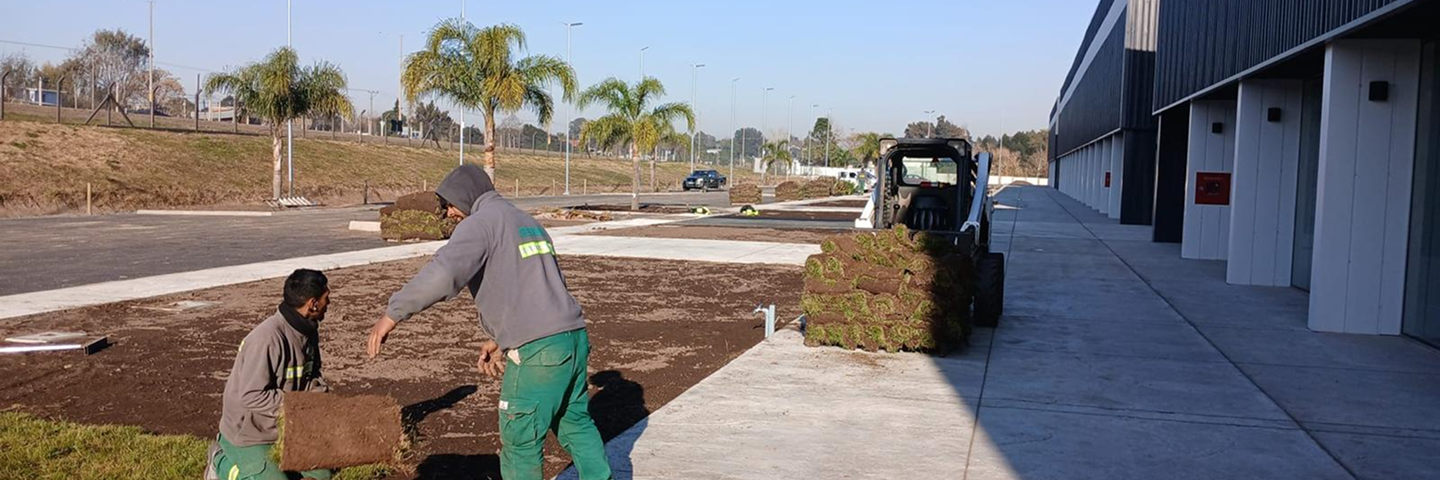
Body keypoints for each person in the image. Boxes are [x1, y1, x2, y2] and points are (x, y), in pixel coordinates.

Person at [365, 165, 612, 480]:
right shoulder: (526, 222)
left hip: (539, 353)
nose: (451, 214)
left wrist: (392, 314)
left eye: (449, 205)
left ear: (465, 197)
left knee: (520, 439)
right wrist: (501, 337)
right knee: (575, 423)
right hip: (572, 339)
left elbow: (444, 274)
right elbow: (540, 285)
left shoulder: (480, 224)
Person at [207, 269, 334, 480]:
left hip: (287, 424)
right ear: (312, 303)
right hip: (250, 433)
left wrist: (322, 400)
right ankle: (221, 461)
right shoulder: (266, 339)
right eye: (326, 298)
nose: (328, 303)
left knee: (322, 475)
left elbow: (312, 376)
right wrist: (298, 405)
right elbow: (251, 396)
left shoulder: (308, 331)